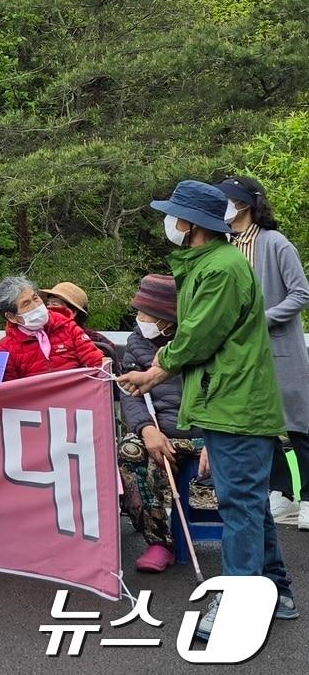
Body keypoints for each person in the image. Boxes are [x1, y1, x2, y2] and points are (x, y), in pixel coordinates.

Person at [118, 180, 297, 638]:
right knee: (250, 506)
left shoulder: (218, 269)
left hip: (235, 405)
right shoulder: (212, 263)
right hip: (232, 402)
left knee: (238, 506)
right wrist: (156, 369)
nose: (167, 223)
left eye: (171, 215)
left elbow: (197, 337)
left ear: (189, 224)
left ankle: (238, 607)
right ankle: (277, 590)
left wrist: (153, 374)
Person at [220, 175, 309, 531]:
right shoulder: (223, 245)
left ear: (246, 203)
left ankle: (308, 499)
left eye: (228, 199)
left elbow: (301, 293)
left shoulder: (275, 242)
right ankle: (281, 494)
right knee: (260, 426)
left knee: (299, 426)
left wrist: (262, 319)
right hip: (243, 353)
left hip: (280, 349)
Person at [117, 274, 197, 574]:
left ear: (167, 317)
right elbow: (129, 392)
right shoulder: (137, 343)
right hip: (159, 431)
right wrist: (147, 429)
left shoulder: (199, 341)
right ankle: (159, 541)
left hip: (205, 433)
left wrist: (217, 438)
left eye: (145, 313)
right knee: (130, 450)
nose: (139, 319)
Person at [0, 276, 105, 381]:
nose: (36, 306)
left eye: (35, 298)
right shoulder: (4, 349)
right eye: (26, 304)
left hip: (77, 399)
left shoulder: (67, 326)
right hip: (33, 402)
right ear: (11, 317)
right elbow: (9, 392)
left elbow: (95, 361)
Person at [41, 281, 115, 350]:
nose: (48, 309)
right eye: (47, 304)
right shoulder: (40, 336)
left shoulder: (97, 342)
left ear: (73, 312)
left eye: (54, 304)